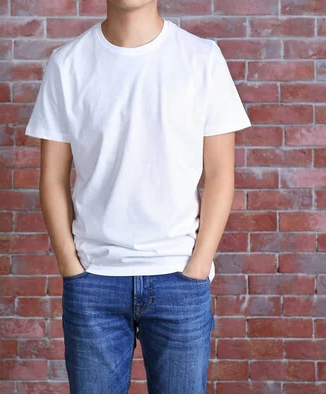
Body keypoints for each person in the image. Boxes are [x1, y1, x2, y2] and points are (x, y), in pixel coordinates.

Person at [25, 1, 251, 392]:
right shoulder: (67, 63)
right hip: (94, 281)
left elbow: (219, 175)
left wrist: (198, 267)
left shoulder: (201, 58)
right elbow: (52, 177)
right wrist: (71, 267)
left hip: (179, 275)